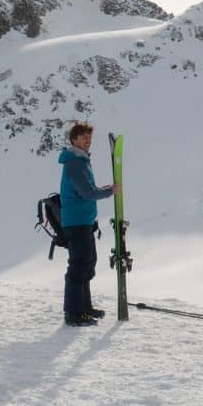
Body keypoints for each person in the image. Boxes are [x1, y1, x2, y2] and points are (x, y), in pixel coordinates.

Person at [58, 121, 117, 326]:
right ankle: (74, 313)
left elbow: (87, 189)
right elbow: (87, 193)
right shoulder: (75, 163)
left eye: (89, 137)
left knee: (87, 263)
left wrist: (106, 189)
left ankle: (84, 307)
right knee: (79, 265)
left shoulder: (81, 161)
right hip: (77, 223)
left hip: (83, 221)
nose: (88, 141)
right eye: (83, 137)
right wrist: (110, 191)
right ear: (74, 139)